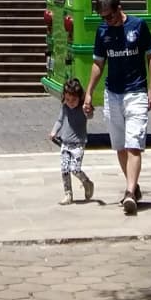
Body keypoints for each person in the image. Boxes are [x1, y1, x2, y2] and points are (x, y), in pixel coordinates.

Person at [83, 0, 151, 216]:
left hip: (136, 92)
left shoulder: (138, 25)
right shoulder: (103, 31)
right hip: (112, 93)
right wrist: (89, 93)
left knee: (134, 143)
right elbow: (98, 63)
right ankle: (133, 186)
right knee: (120, 145)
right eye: (104, 18)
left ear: (119, 8)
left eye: (111, 16)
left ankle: (128, 193)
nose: (108, 21)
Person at [49, 77, 94, 205]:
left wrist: (88, 109)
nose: (70, 103)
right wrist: (54, 132)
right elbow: (60, 121)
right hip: (65, 143)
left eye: (73, 100)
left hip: (78, 144)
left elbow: (90, 116)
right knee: (64, 169)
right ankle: (68, 194)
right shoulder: (65, 108)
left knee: (75, 169)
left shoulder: (82, 108)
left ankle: (86, 182)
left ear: (80, 97)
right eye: (68, 99)